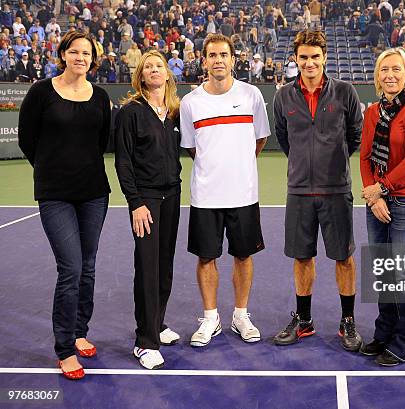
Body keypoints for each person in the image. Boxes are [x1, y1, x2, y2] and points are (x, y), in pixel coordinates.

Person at [18, 31, 111, 380]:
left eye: (86, 53)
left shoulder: (100, 97)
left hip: (93, 194)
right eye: (74, 51)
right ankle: (64, 348)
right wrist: (50, 171)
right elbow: (28, 139)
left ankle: (80, 330)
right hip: (55, 194)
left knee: (87, 267)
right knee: (70, 268)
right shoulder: (41, 92)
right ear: (63, 54)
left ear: (92, 59)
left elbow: (101, 142)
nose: (80, 57)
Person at [272, 30, 363, 351]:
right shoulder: (283, 96)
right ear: (295, 59)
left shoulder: (345, 92)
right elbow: (284, 139)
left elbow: (354, 135)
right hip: (298, 191)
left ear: (325, 57)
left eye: (315, 57)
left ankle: (347, 320)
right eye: (303, 57)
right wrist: (302, 164)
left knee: (344, 258)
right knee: (302, 257)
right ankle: (305, 320)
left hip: (336, 190)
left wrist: (331, 165)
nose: (309, 63)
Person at [180, 34, 270, 348]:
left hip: (244, 193)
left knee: (243, 255)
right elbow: (192, 148)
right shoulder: (191, 102)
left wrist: (238, 165)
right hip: (206, 195)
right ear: (204, 61)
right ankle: (210, 317)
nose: (218, 60)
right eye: (212, 55)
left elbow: (259, 140)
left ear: (233, 59)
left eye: (224, 54)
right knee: (207, 257)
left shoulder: (252, 95)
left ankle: (240, 315)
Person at [359, 48, 405, 366]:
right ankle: (384, 331)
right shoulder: (373, 111)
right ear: (377, 76)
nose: (389, 75)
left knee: (403, 272)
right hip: (378, 201)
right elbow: (364, 157)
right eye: (384, 69)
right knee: (384, 272)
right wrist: (374, 196)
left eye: (396, 70)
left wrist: (381, 188)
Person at [114, 51, 182, 370]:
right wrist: (136, 202)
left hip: (173, 196)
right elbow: (123, 161)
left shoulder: (173, 112)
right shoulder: (131, 112)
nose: (154, 70)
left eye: (159, 66)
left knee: (164, 264)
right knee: (147, 266)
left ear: (167, 74)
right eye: (148, 67)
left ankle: (158, 323)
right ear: (141, 76)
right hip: (147, 200)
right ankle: (145, 341)